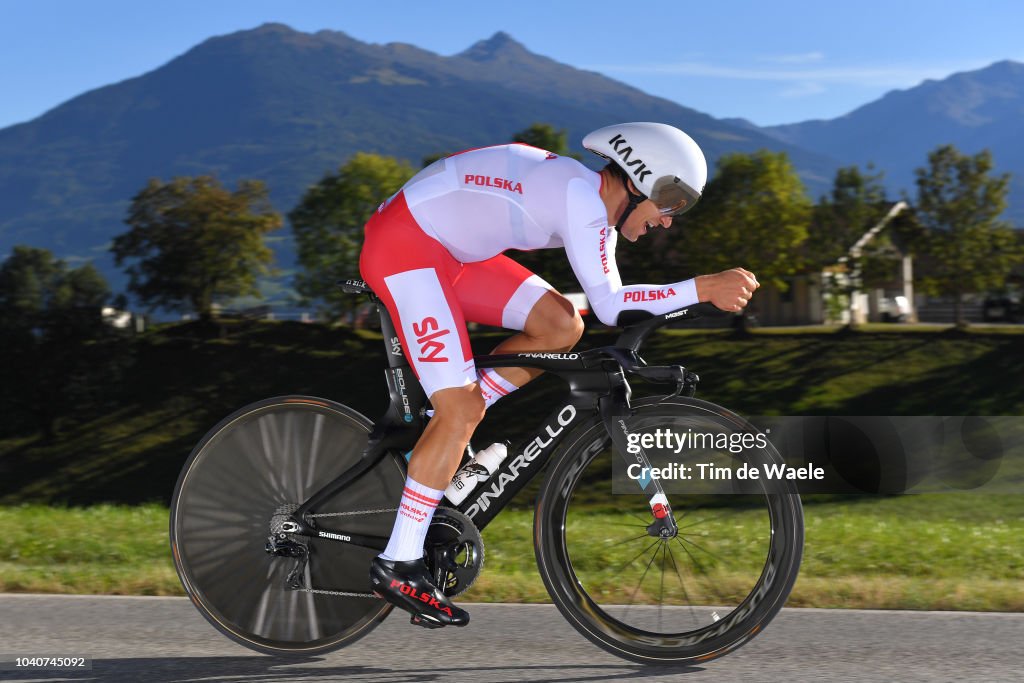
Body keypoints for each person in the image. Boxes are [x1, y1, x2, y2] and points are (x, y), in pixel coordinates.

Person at [360, 122, 759, 628]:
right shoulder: (582, 199)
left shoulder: (587, 202)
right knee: (460, 408)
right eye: (672, 201)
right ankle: (398, 561)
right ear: (639, 179)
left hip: (452, 255)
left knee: (559, 324)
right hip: (406, 247)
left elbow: (602, 306)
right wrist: (703, 286)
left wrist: (694, 297)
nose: (669, 221)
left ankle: (445, 439)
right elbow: (613, 306)